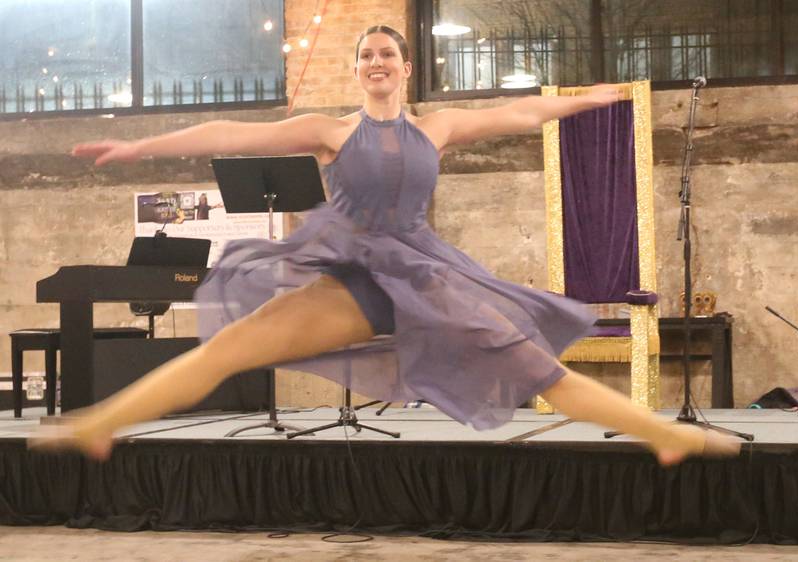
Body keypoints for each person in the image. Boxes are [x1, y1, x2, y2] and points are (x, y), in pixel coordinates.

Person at [31, 25, 739, 465]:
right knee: (226, 350)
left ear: (404, 69)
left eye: (387, 54)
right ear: (358, 71)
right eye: (367, 55)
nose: (377, 61)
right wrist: (141, 146)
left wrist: (584, 100)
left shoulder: (436, 128)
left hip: (426, 276)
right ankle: (100, 425)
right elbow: (232, 134)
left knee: (536, 369)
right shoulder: (331, 131)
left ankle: (663, 436)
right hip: (353, 277)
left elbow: (520, 112)